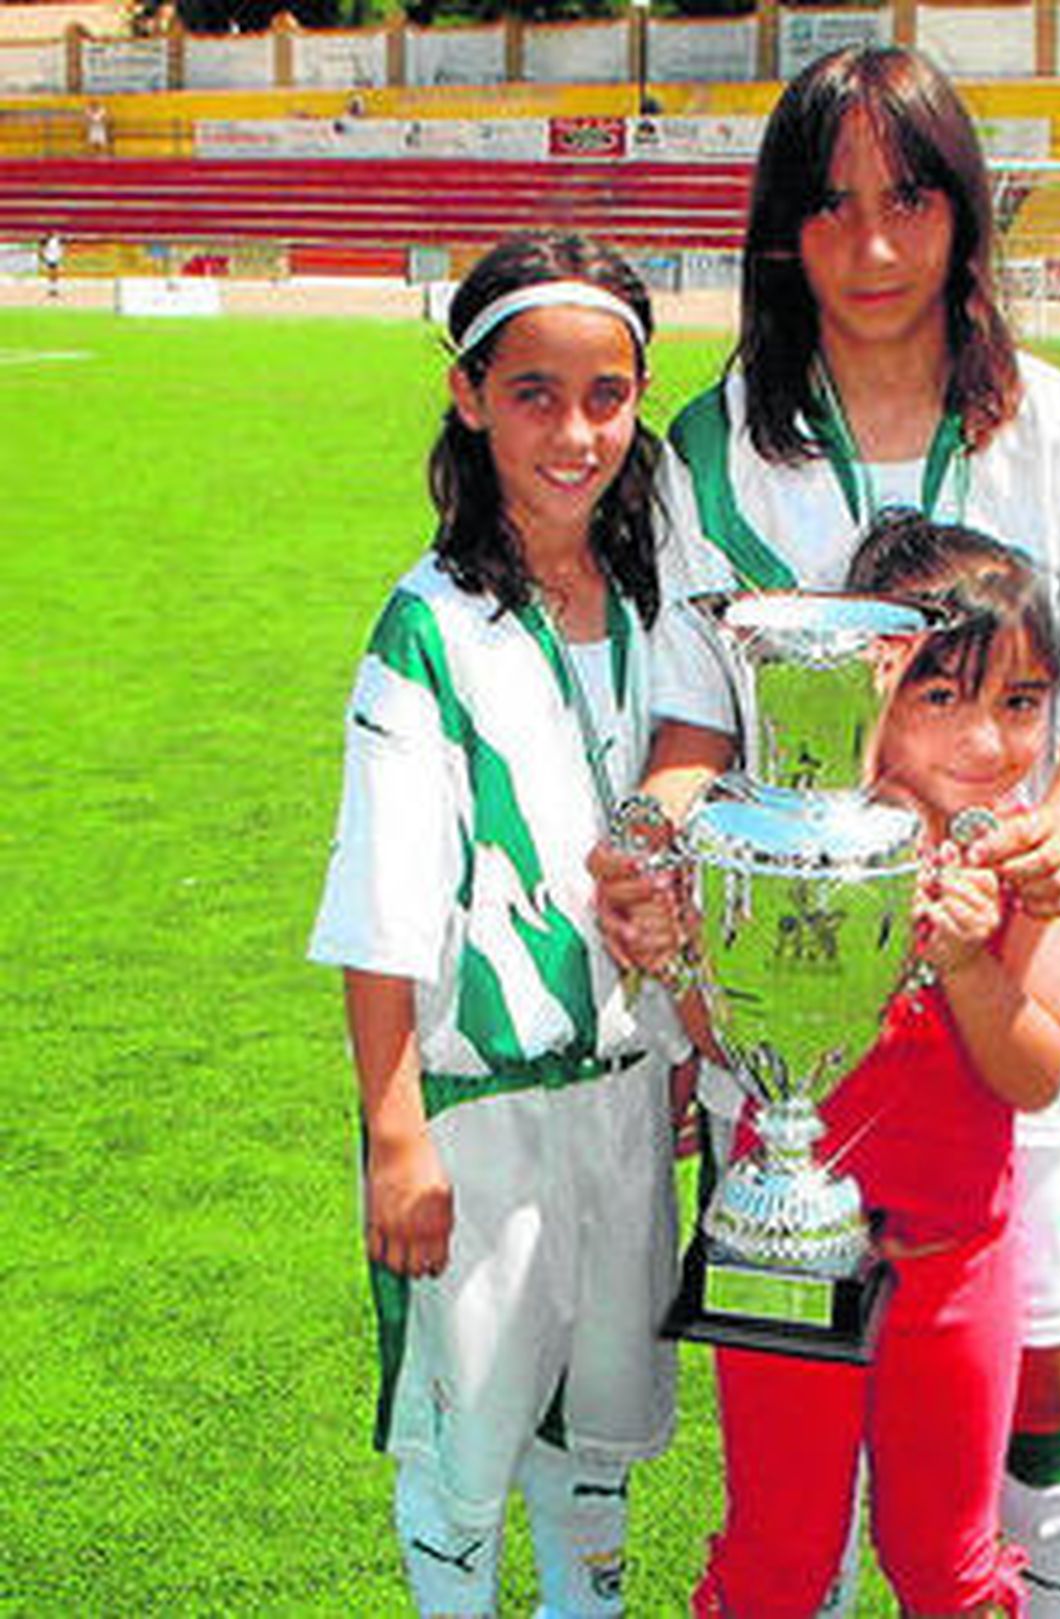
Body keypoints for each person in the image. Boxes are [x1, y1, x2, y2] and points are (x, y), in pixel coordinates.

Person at [592, 45, 1060, 1614]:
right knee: (798, 1384)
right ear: (781, 231)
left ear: (966, 216)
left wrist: (1054, 834)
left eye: (912, 200)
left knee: (1041, 1356)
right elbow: (691, 727)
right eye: (835, 206)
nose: (874, 248)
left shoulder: (1058, 428)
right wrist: (652, 853)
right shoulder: (713, 445)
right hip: (786, 1007)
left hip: (1005, 964)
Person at [308, 231, 684, 1618]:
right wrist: (397, 1130)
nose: (575, 430)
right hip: (478, 1115)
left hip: (625, 1099)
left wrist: (685, 1062)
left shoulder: (650, 603)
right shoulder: (428, 625)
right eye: (533, 391)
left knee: (596, 1436)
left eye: (606, 394)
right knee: (463, 1449)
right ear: (468, 396)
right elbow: (384, 897)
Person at [690, 513, 1060, 1616]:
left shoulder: (1034, 863)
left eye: (1020, 701)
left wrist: (964, 961)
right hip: (786, 1257)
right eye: (942, 696)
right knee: (778, 1558)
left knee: (945, 1568)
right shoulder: (793, 845)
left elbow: (1035, 1071)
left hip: (955, 1266)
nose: (988, 740)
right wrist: (696, 939)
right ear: (874, 691)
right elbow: (724, 1029)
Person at [40, 231, 63, 297]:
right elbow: (42, 250)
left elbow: (42, 250)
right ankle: (53, 290)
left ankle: (53, 290)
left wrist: (43, 257)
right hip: (52, 259)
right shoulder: (49, 241)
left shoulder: (55, 240)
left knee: (52, 275)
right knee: (53, 275)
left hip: (53, 259)